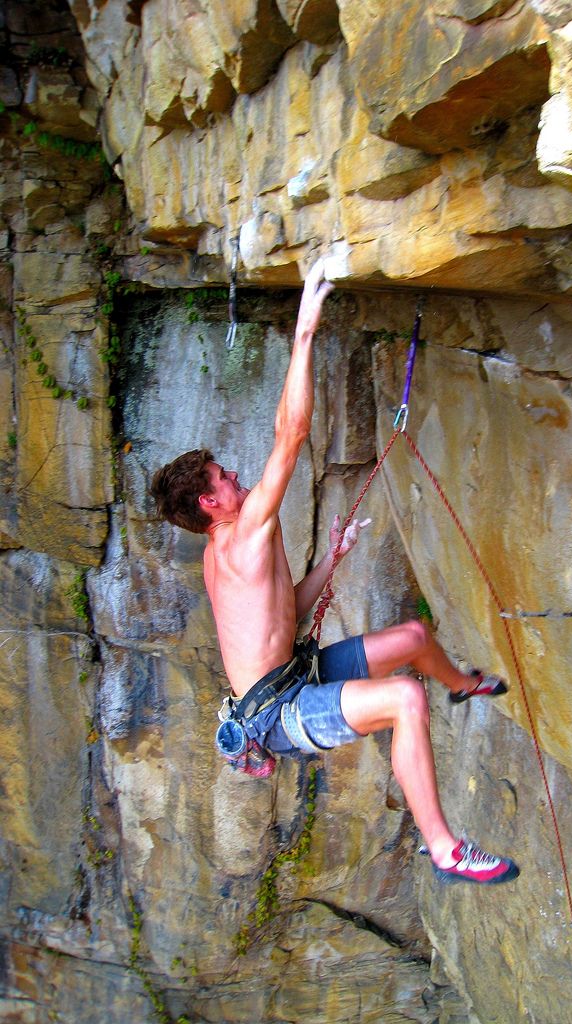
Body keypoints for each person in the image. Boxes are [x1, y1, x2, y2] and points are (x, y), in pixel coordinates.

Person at [150, 258, 519, 885]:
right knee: (405, 698)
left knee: (414, 638)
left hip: (294, 676)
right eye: (224, 477)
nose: (236, 475)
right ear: (210, 503)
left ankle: (461, 685)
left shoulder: (234, 546)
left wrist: (334, 558)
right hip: (280, 714)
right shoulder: (240, 535)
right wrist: (305, 333)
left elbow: (284, 613)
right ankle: (445, 850)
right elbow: (290, 436)